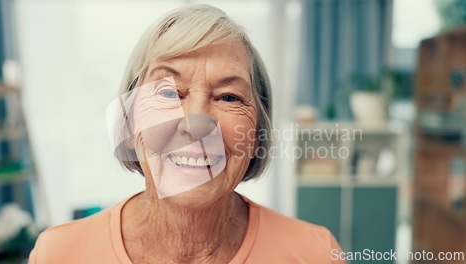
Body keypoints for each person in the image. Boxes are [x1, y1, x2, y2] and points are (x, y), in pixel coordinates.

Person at [29, 4, 344, 264]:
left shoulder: (315, 253)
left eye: (229, 97)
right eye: (168, 93)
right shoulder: (58, 254)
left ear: (258, 133)